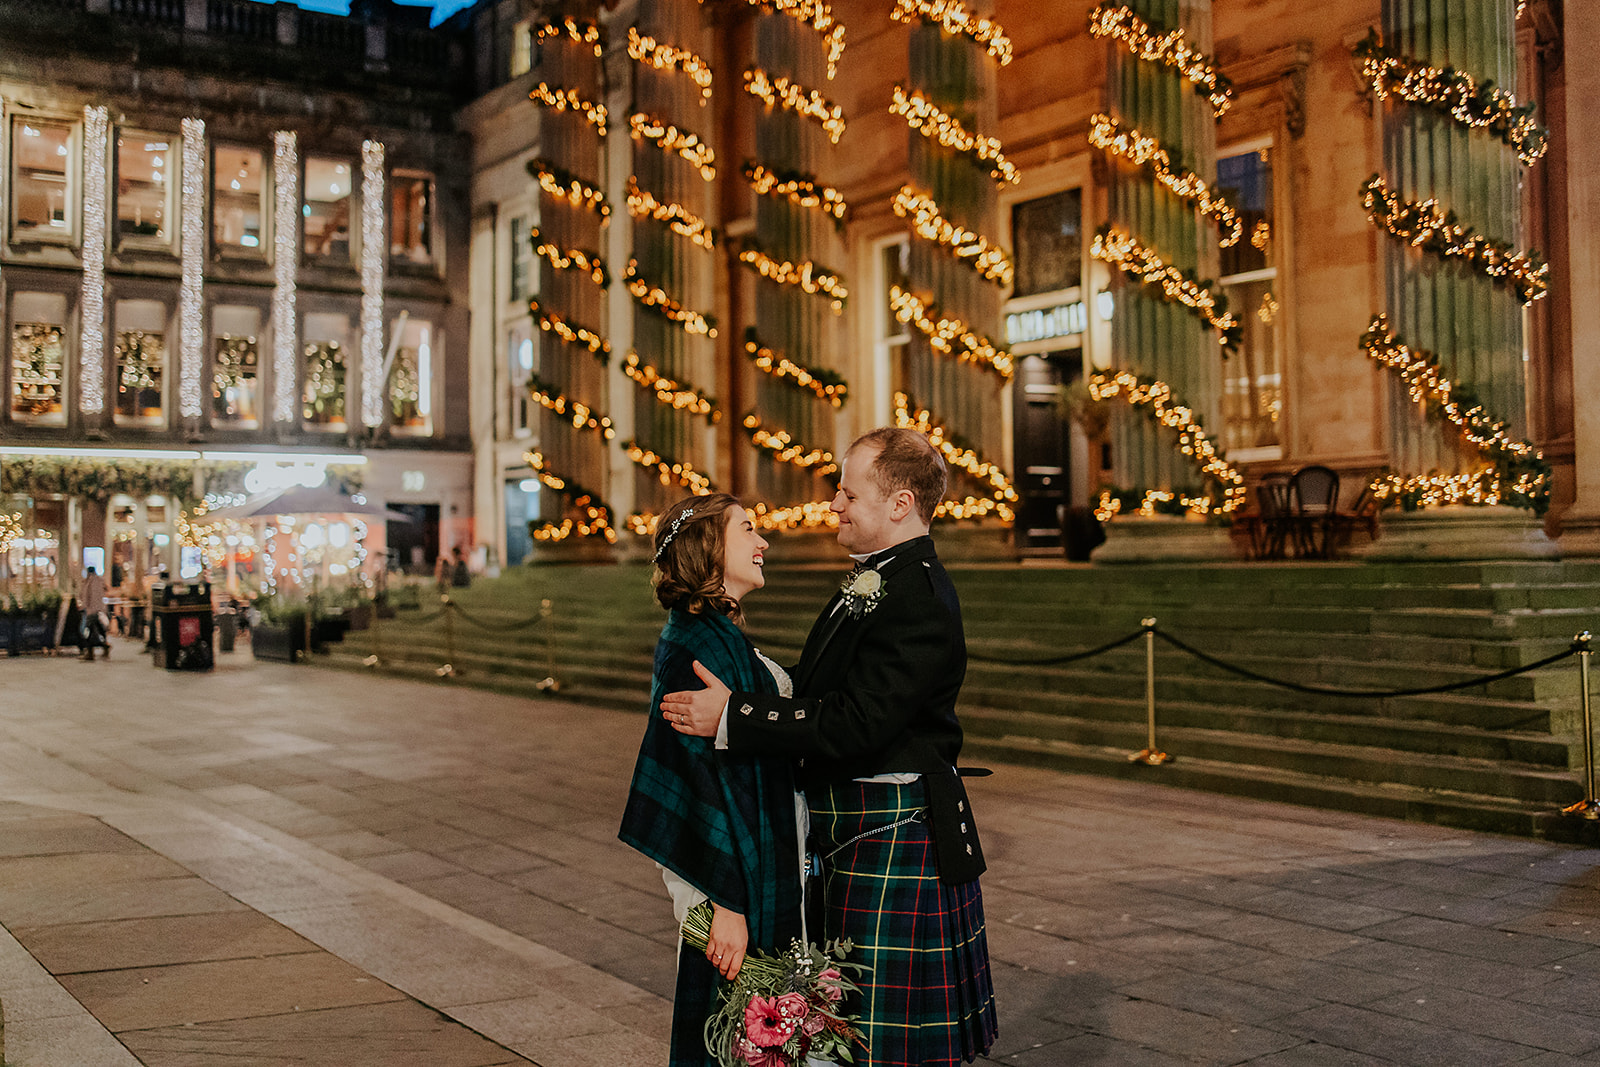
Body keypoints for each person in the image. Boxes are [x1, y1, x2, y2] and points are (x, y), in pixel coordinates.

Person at [663, 427, 998, 1067]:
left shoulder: (913, 594)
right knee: (845, 1035)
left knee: (878, 1044)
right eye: (747, 532)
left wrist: (738, 711)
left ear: (899, 503)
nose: (834, 504)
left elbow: (856, 722)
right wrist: (710, 913)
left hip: (886, 834)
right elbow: (684, 802)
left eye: (847, 491)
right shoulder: (870, 584)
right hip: (818, 852)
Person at [619, 494, 803, 1067]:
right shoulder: (696, 645)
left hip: (751, 877)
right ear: (710, 549)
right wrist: (724, 905)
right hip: (731, 892)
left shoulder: (715, 634)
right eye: (748, 529)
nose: (763, 541)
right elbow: (697, 782)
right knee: (734, 1040)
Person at [80, 565, 108, 661]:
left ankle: (90, 652)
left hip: (92, 610)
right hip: (95, 610)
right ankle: (105, 646)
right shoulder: (96, 581)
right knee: (98, 629)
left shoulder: (92, 582)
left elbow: (91, 597)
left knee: (88, 631)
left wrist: (86, 607)